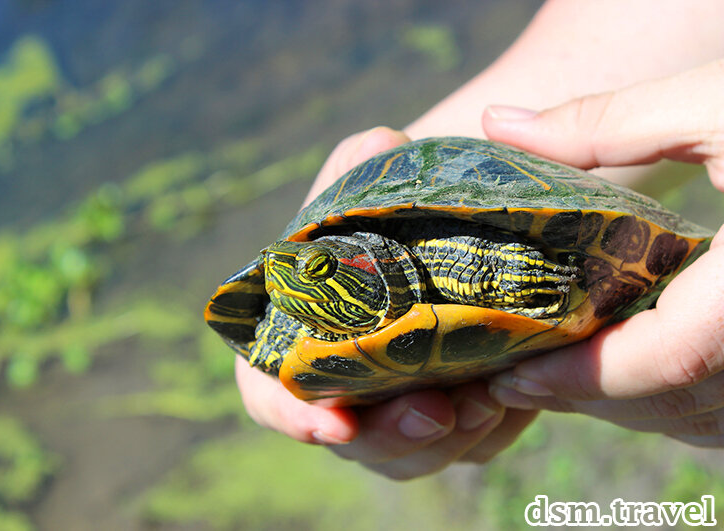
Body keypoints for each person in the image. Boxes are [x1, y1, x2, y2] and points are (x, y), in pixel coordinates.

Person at [236, 0, 724, 480]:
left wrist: (493, 269)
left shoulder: (438, 256)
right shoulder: (298, 306)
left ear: (375, 264)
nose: (284, 279)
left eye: (318, 269)